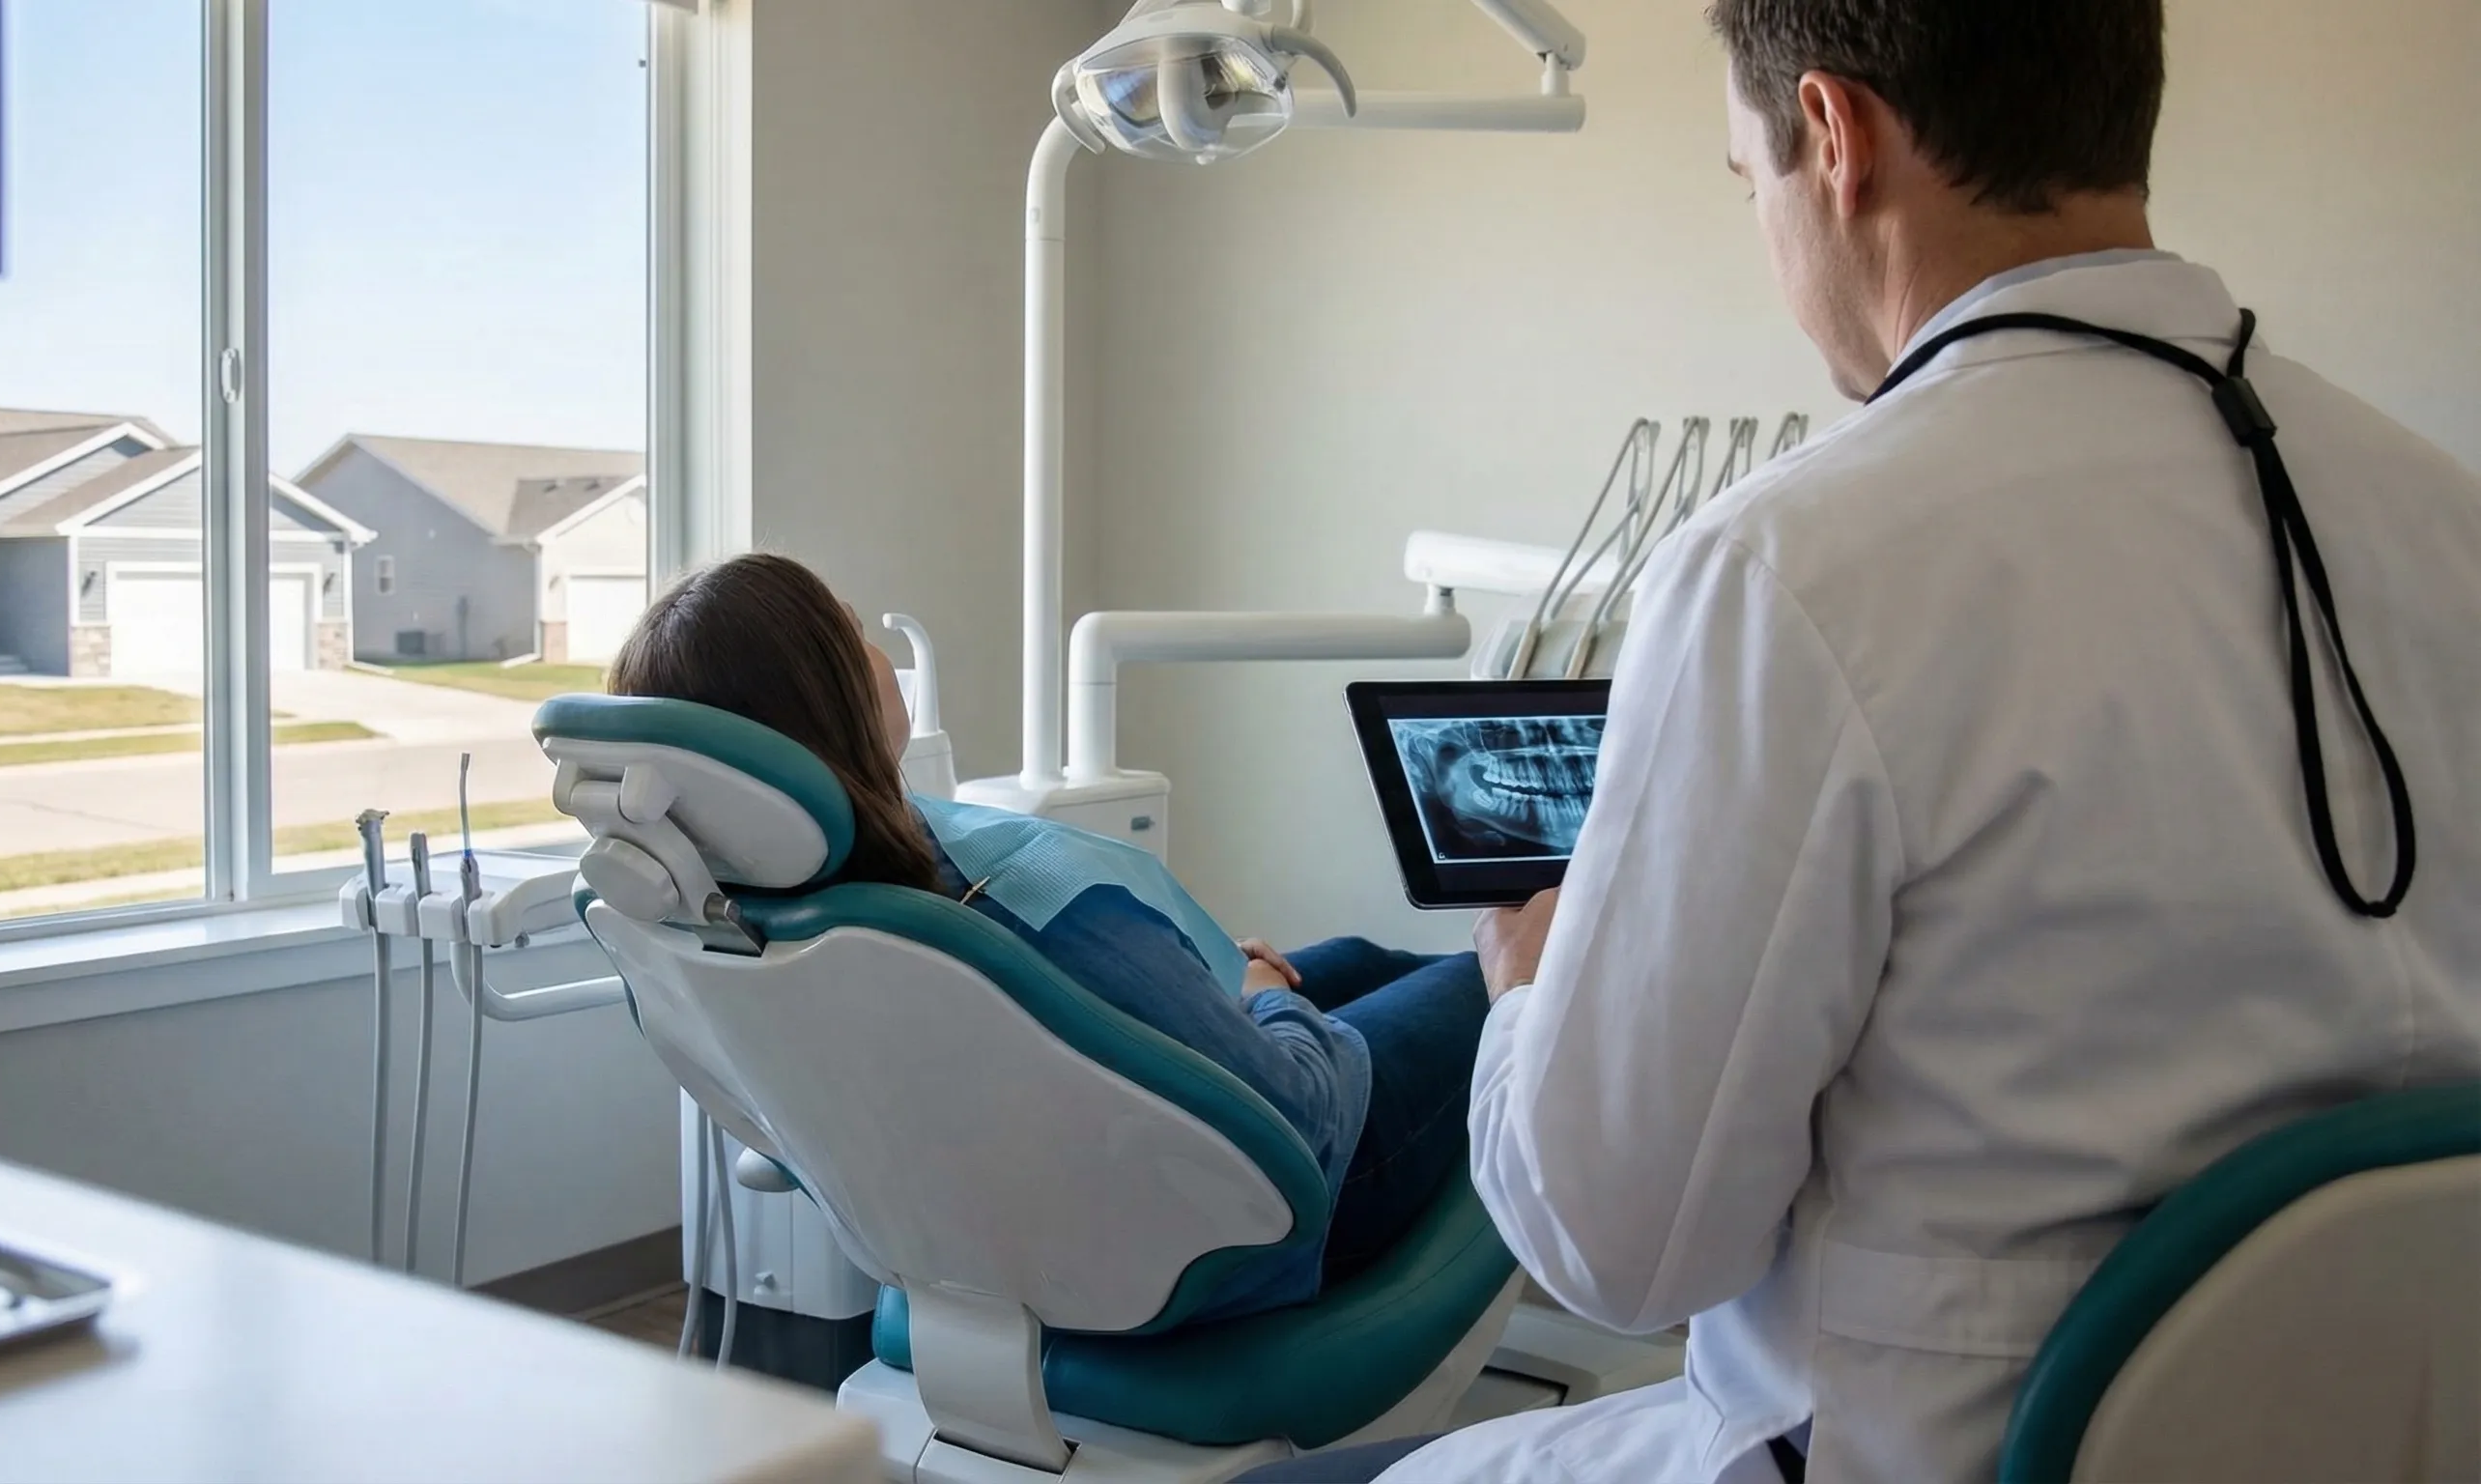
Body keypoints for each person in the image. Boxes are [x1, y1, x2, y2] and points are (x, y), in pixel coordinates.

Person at [1254, 0, 2481, 1481]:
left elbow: (1615, 1253)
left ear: (1834, 140)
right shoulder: (2444, 521)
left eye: (1743, 181)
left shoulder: (1790, 568)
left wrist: (1526, 995)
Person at [609, 551, 1493, 1323]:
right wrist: (1266, 1004)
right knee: (1501, 967)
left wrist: (1259, 996)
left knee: (1357, 964)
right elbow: (1302, 1116)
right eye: (849, 628)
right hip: (1262, 1223)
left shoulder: (766, 920)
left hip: (1026, 1226)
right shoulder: (1013, 899)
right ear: (827, 697)